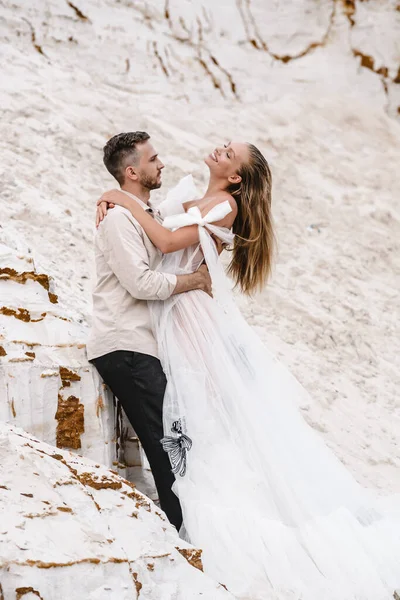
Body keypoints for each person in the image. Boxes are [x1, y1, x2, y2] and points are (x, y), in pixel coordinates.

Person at [97, 141, 400, 599]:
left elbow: (164, 241)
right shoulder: (190, 198)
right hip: (167, 313)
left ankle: (216, 518)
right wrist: (117, 199)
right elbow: (152, 225)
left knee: (205, 412)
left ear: (235, 177)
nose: (219, 148)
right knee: (191, 414)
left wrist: (116, 198)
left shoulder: (224, 205)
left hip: (190, 314)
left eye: (228, 153)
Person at [86, 131, 213, 532]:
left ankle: (188, 529)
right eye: (153, 159)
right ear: (132, 171)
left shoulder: (140, 213)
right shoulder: (119, 220)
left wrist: (115, 193)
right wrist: (195, 281)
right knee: (169, 446)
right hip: (125, 345)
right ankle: (186, 536)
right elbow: (141, 283)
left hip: (143, 346)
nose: (161, 165)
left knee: (176, 441)